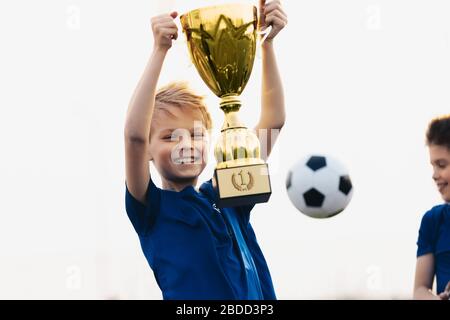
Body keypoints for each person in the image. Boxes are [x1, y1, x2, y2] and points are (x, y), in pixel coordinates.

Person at [124, 0, 287, 299]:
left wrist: (266, 43)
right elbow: (134, 136)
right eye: (170, 137)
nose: (186, 145)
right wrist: (159, 50)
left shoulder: (228, 192)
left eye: (196, 135)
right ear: (148, 150)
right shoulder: (151, 209)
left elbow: (273, 122)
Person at [414, 114, 450, 300]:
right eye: (433, 166)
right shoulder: (433, 220)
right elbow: (420, 290)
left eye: (441, 165)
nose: (434, 175)